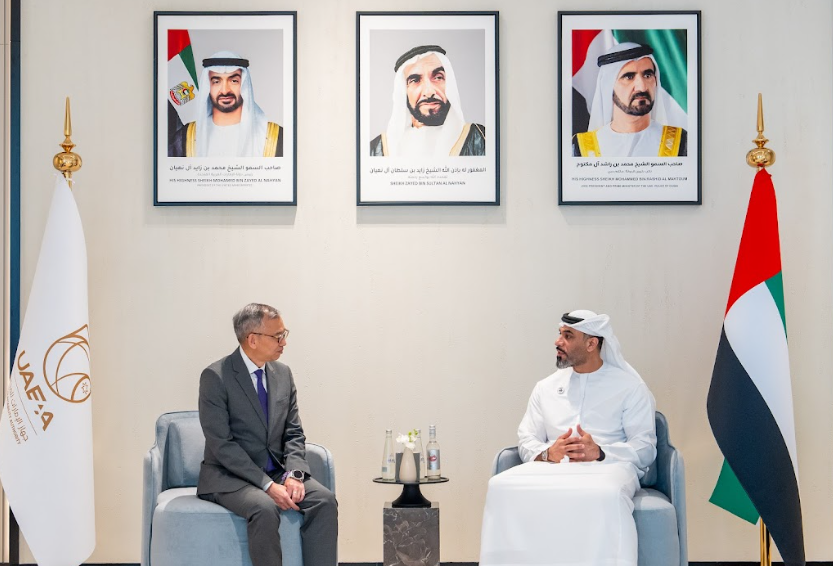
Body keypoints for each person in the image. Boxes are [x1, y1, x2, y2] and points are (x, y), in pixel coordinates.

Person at [479, 310, 656, 566]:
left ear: (591, 343)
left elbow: (645, 447)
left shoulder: (629, 387)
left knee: (606, 493)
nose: (558, 341)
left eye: (568, 336)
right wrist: (548, 453)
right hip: (551, 467)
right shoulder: (545, 387)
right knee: (500, 485)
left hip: (608, 468)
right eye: (560, 334)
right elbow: (527, 437)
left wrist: (601, 452)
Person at [197, 303, 337, 566]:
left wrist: (294, 474)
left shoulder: (283, 374)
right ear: (252, 339)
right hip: (229, 476)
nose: (284, 342)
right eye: (277, 336)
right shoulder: (216, 377)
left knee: (324, 501)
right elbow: (221, 444)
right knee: (264, 507)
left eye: (284, 334)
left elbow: (293, 432)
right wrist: (268, 486)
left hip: (277, 470)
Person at [573, 43, 688, 158]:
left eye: (647, 75)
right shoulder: (580, 149)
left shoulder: (681, 144)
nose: (642, 87)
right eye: (629, 77)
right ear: (608, 86)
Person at [370, 44, 485, 157]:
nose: (429, 92)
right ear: (403, 91)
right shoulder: (378, 149)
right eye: (415, 80)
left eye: (438, 77)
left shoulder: (480, 139)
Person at [169, 51, 283, 157]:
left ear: (244, 85)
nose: (224, 90)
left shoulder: (273, 137)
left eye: (234, 81)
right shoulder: (185, 138)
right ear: (208, 86)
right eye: (216, 82)